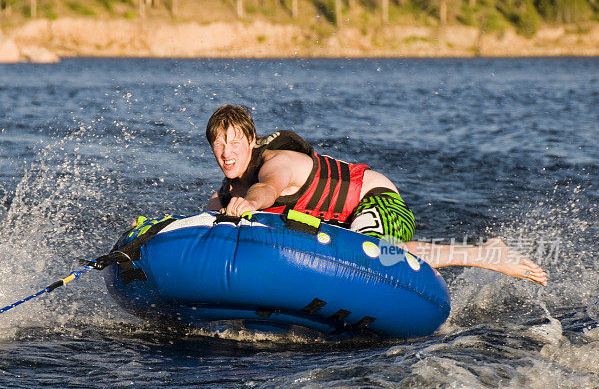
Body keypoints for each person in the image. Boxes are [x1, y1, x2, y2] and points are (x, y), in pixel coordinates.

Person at [205, 104, 547, 286]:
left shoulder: (275, 163)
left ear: (252, 142)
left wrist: (249, 203)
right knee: (356, 252)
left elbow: (268, 190)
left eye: (235, 141)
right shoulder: (227, 192)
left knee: (374, 255)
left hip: (375, 200)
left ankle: (486, 253)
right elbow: (206, 223)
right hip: (342, 225)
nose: (226, 152)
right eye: (218, 144)